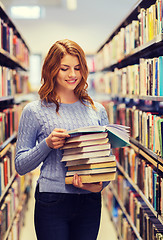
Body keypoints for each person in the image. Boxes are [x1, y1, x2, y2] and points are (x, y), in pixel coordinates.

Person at [15, 39, 110, 240]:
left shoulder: (97, 110)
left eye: (77, 68)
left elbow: (107, 162)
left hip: (89, 202)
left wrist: (99, 185)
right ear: (52, 69)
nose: (73, 75)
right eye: (64, 68)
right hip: (52, 201)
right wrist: (46, 145)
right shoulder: (34, 111)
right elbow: (21, 166)